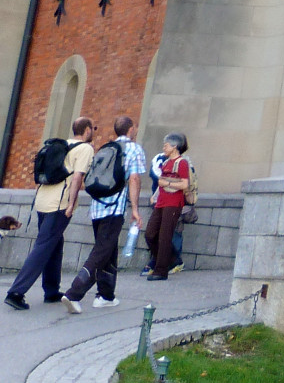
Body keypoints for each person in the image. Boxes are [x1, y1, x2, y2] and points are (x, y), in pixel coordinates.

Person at [5, 117, 94, 311]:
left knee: (55, 243)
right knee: (44, 246)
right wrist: (71, 204)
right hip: (59, 204)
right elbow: (78, 177)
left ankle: (52, 290)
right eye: (92, 128)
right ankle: (16, 292)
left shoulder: (64, 144)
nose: (93, 131)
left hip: (43, 200)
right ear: (87, 130)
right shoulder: (85, 149)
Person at [62, 114, 147, 313]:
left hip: (97, 207)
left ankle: (105, 295)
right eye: (134, 127)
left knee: (108, 249)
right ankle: (74, 293)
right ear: (131, 129)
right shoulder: (133, 149)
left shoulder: (105, 149)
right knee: (101, 251)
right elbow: (134, 179)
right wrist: (134, 209)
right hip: (115, 209)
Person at [144, 133, 191, 281]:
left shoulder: (182, 163)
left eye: (167, 144)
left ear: (175, 146)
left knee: (165, 236)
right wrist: (156, 195)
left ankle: (161, 270)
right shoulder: (165, 162)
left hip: (173, 203)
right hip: (162, 201)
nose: (164, 147)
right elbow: (161, 182)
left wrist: (168, 185)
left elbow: (185, 184)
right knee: (150, 234)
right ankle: (171, 259)